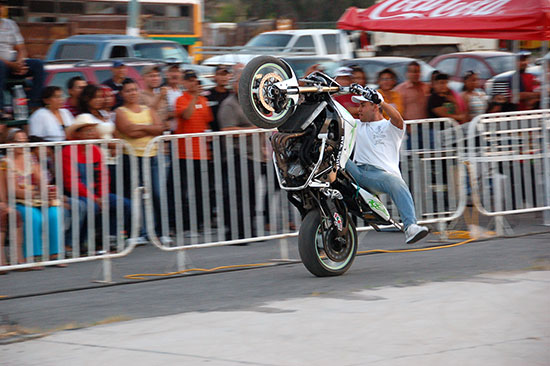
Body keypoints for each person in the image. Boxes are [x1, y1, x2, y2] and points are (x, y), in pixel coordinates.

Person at [344, 87, 429, 244]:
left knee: (395, 182)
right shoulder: (356, 125)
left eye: (363, 105)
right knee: (332, 154)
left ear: (375, 106)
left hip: (380, 176)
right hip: (356, 172)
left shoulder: (389, 127)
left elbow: (398, 120)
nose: (359, 109)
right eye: (359, 106)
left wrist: (381, 100)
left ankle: (411, 227)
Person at [62, 115, 131, 242]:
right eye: (86, 130)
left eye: (92, 130)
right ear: (77, 134)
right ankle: (80, 241)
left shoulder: (96, 150)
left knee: (123, 203)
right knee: (91, 207)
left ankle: (112, 236)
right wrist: (95, 199)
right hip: (78, 194)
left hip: (97, 194)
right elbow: (72, 182)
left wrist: (102, 196)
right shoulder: (68, 151)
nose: (90, 133)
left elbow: (104, 177)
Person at [0, 129, 62, 261]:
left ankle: (55, 252)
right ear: (9, 143)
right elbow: (13, 190)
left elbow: (41, 180)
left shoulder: (31, 159)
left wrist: (47, 192)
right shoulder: (5, 162)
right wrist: (36, 194)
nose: (22, 144)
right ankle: (32, 255)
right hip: (17, 200)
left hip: (35, 196)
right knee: (33, 216)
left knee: (54, 213)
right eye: (18, 141)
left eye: (25, 141)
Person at [115, 78, 165, 242]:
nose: (132, 93)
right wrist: (149, 129)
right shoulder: (120, 112)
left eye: (135, 89)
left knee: (156, 194)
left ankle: (159, 232)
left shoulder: (148, 109)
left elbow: (160, 128)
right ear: (122, 93)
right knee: (135, 195)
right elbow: (128, 131)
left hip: (152, 156)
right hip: (131, 157)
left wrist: (140, 128)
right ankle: (138, 232)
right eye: (128, 90)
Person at [175, 70, 214, 231]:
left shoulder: (204, 100)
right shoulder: (181, 99)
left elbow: (208, 121)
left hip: (202, 153)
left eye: (195, 80)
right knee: (185, 191)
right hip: (186, 153)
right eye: (189, 80)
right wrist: (195, 98)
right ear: (184, 83)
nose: (193, 83)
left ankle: (199, 222)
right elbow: (186, 115)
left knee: (201, 190)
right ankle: (185, 223)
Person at [0, 2, 45, 119]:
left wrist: (20, 63)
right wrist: (11, 65)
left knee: (38, 65)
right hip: (3, 65)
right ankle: (1, 108)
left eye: (2, 6)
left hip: (13, 62)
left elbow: (21, 48)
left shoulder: (10, 24)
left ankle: (34, 103)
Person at [139, 64, 170, 130]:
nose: (155, 78)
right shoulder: (139, 95)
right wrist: (160, 97)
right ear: (143, 78)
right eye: (152, 76)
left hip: (164, 135)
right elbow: (147, 114)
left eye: (158, 75)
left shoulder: (162, 94)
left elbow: (165, 114)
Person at [206, 65, 232, 132]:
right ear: (215, 77)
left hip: (228, 132)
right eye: (220, 74)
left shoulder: (231, 94)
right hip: (213, 133)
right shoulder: (208, 95)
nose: (223, 77)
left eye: (225, 74)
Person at [164, 64, 183, 133]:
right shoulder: (162, 91)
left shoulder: (183, 91)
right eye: (172, 71)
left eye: (177, 71)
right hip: (168, 132)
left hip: (182, 131)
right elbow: (161, 113)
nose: (174, 74)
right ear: (166, 74)